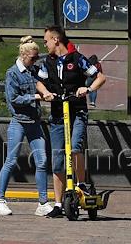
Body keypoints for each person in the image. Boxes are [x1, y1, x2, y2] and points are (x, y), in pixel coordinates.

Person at [36, 25, 105, 215]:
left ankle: (81, 184)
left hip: (77, 111)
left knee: (75, 148)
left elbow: (100, 77)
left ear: (56, 39)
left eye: (46, 41)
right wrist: (45, 92)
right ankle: (58, 204)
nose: (45, 45)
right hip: (58, 113)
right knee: (58, 158)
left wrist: (88, 89)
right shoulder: (48, 62)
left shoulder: (77, 58)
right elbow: (40, 82)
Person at [0, 36, 56, 217]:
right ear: (23, 55)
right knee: (11, 160)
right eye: (33, 58)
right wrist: (36, 97)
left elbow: (42, 83)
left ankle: (43, 202)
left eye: (37, 57)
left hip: (34, 122)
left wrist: (46, 91)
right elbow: (13, 99)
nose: (35, 61)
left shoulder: (34, 70)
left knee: (42, 161)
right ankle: (0, 200)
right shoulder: (12, 73)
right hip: (19, 122)